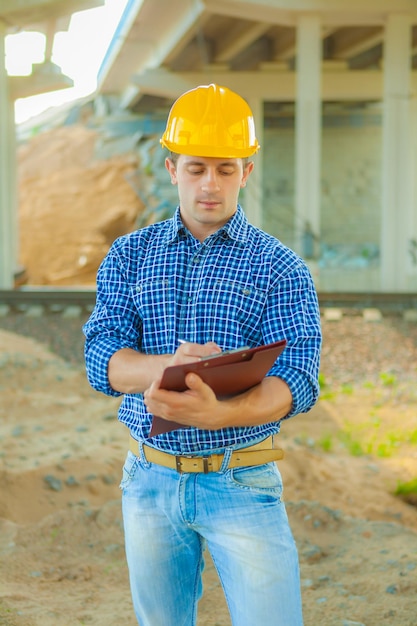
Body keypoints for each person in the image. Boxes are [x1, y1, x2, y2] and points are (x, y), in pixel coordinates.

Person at [83, 83, 322, 626]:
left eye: (225, 169)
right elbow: (102, 358)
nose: (209, 184)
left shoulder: (281, 269)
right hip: (149, 479)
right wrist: (166, 367)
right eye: (196, 168)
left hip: (242, 479)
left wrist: (224, 414)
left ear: (246, 173)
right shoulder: (128, 256)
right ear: (172, 169)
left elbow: (298, 379)